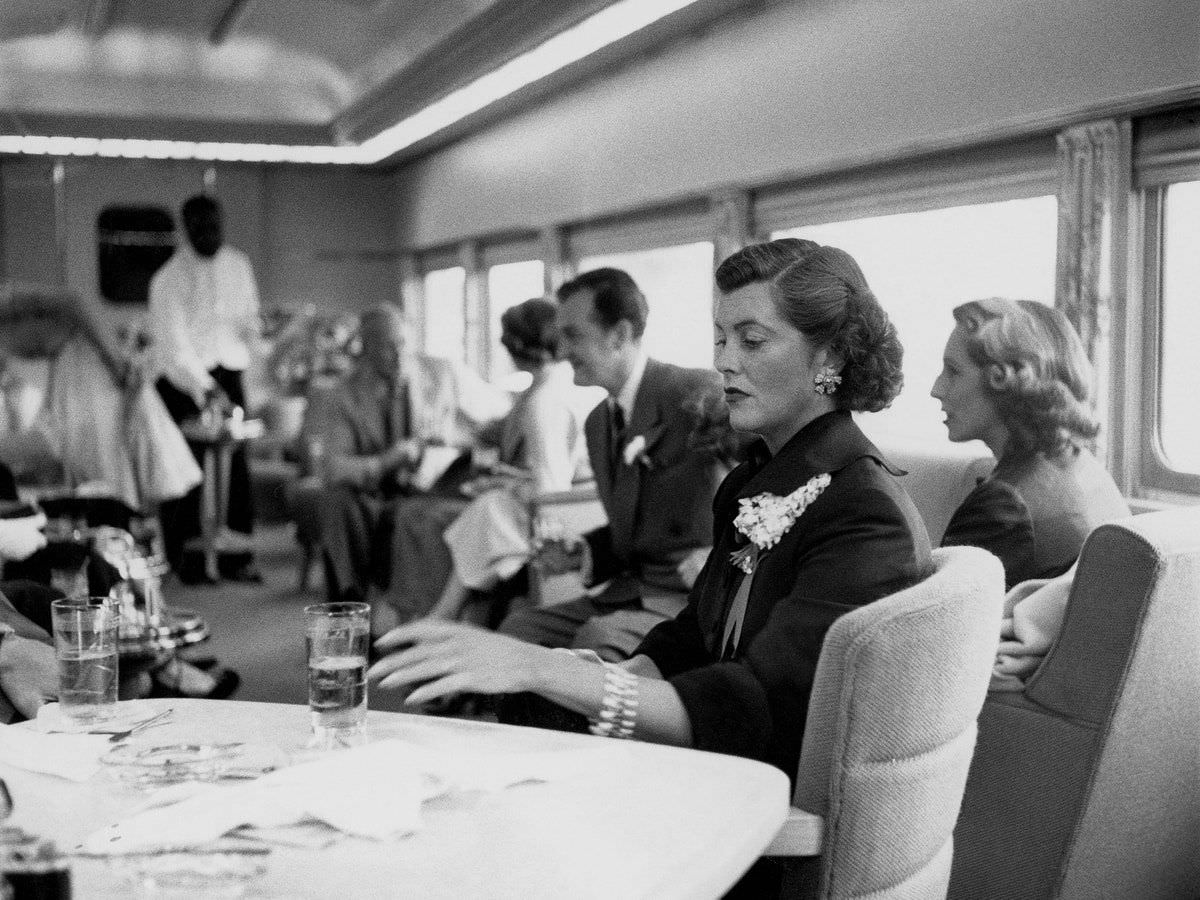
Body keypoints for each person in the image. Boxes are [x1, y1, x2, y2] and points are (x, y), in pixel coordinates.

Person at [367, 240, 931, 829]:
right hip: (722, 761)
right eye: (721, 337)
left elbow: (760, 707)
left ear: (830, 358)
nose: (724, 361)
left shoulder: (864, 515)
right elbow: (696, 631)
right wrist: (605, 675)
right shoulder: (760, 478)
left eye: (752, 340)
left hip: (753, 805)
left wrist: (545, 669)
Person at [494, 268, 730, 660]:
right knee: (518, 632)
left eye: (573, 335)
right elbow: (639, 529)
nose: (561, 350)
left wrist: (719, 553)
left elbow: (767, 486)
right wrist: (582, 553)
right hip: (630, 593)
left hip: (692, 600)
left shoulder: (696, 395)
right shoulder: (599, 424)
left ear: (619, 335)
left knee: (597, 639)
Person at [315, 304, 510, 624]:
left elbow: (490, 419)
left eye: (403, 343)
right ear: (365, 350)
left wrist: (455, 438)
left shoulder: (441, 372)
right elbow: (334, 467)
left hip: (436, 483)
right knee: (338, 503)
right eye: (388, 347)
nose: (399, 354)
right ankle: (351, 605)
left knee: (427, 513)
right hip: (375, 491)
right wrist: (385, 461)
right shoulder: (343, 395)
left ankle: (422, 616)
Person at [407, 297, 589, 623]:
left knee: (473, 511)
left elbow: (551, 488)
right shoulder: (546, 387)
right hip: (546, 503)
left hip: (555, 519)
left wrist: (503, 483)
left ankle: (441, 615)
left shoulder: (544, 403)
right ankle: (446, 615)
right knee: (465, 511)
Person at [932, 298, 1129, 588]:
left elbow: (938, 621)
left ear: (1004, 380)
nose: (937, 389)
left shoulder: (1003, 505)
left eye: (954, 371)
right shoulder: (1084, 466)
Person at [0, 282, 201, 512]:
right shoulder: (61, 365)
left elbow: (74, 301)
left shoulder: (79, 358)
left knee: (108, 472)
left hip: (86, 376)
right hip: (78, 372)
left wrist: (114, 358)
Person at [149, 194, 263, 582]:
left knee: (237, 470)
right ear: (186, 228)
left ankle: (237, 558)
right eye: (200, 229)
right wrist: (206, 387)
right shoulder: (167, 279)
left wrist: (262, 340)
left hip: (229, 373)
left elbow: (248, 322)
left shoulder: (239, 265)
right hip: (184, 380)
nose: (209, 235)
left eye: (215, 227)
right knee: (187, 472)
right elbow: (173, 347)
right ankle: (191, 559)